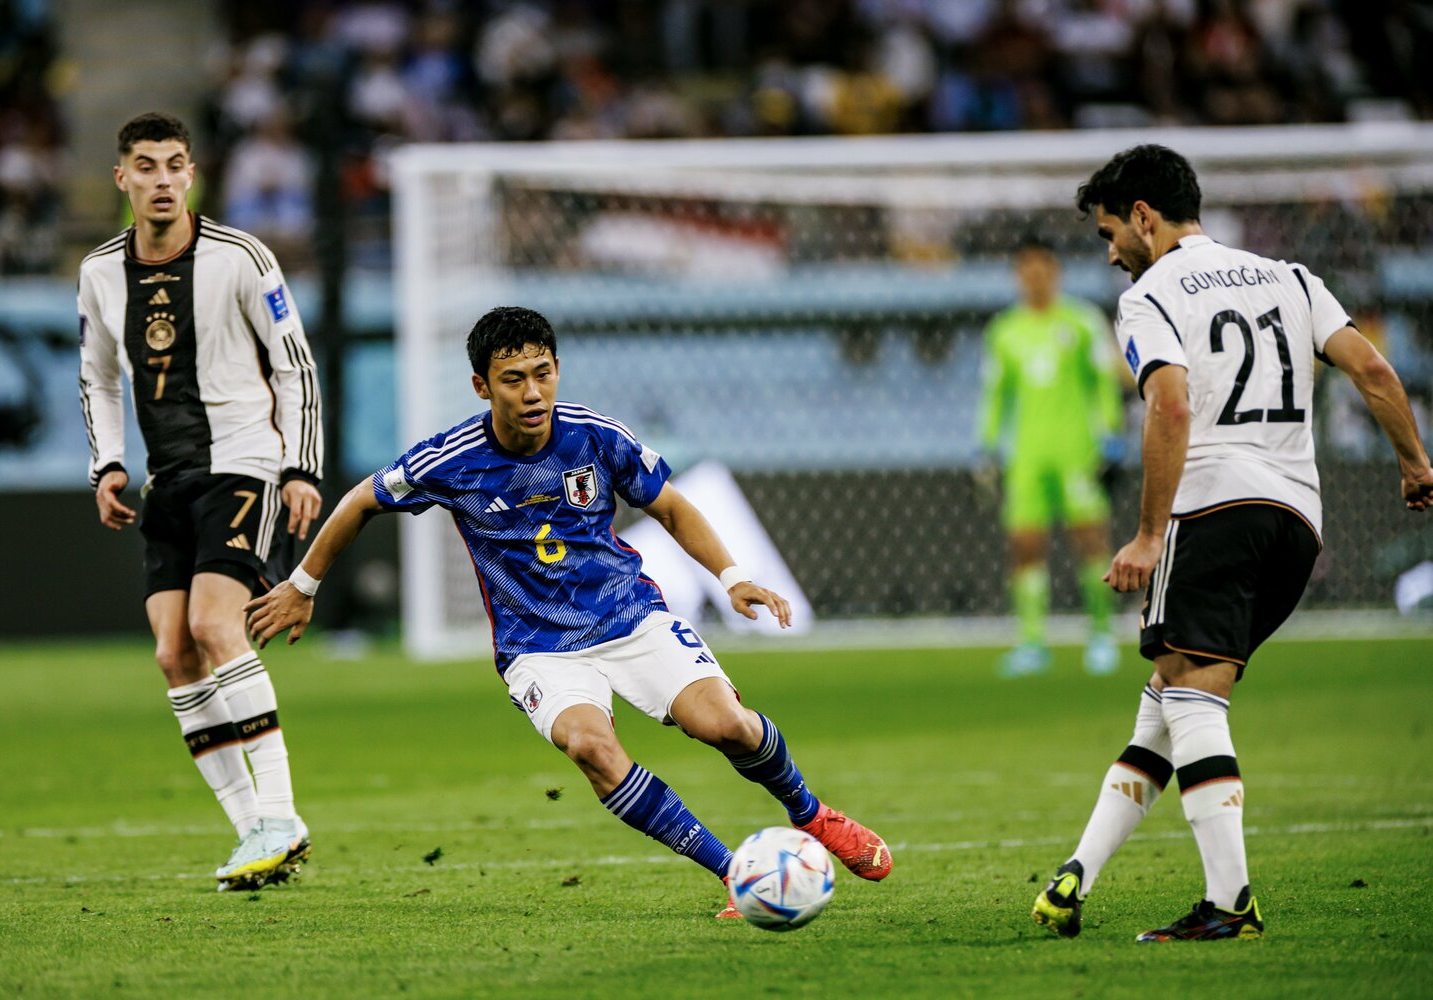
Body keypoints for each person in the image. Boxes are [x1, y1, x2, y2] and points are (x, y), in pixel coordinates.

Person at [244, 306, 892, 917]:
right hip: (538, 647)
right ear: (481, 385)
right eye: (514, 379)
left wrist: (731, 576)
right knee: (591, 747)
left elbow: (669, 506)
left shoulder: (594, 436)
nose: (532, 392)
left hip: (629, 616)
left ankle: (811, 815)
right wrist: (303, 584)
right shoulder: (452, 459)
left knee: (728, 727)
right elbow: (361, 499)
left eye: (543, 374)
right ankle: (734, 875)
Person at [1031, 144, 1433, 942]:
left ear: (1145, 216)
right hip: (1296, 523)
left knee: (1188, 695)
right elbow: (1378, 371)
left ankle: (1230, 902)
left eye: (1111, 231)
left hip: (1212, 508)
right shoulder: (1291, 277)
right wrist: (1416, 464)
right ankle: (1075, 877)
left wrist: (1149, 535)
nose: (1110, 251)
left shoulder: (1150, 297)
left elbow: (1170, 408)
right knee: (1173, 696)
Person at [78, 112, 324, 891]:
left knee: (215, 625)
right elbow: (98, 375)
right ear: (122, 179)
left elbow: (296, 367)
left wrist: (301, 468)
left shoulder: (242, 256)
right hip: (166, 479)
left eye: (174, 165)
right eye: (144, 167)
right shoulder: (98, 272)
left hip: (242, 463)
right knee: (171, 652)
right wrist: (107, 464)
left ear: (193, 176)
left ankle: (283, 815)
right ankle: (253, 829)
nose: (160, 179)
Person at [978, 235, 1125, 678]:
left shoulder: (1082, 322)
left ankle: (1101, 635)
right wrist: (986, 447)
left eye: (1043, 269)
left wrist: (1110, 437)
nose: (1035, 278)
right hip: (1026, 455)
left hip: (1077, 451)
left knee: (1090, 539)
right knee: (1024, 545)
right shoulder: (1004, 331)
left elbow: (1103, 384)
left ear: (1055, 272)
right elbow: (995, 396)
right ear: (1019, 275)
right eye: (1027, 270)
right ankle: (1032, 641)